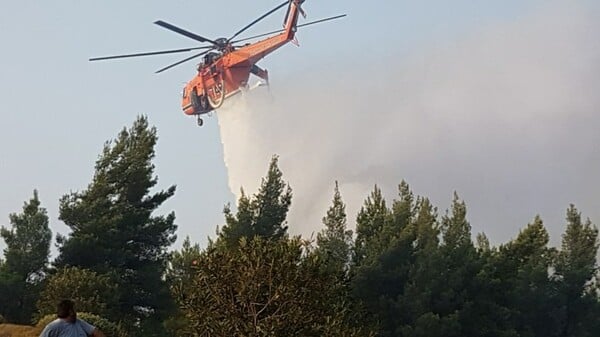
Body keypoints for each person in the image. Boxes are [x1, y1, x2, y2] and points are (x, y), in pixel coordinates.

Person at [39, 300, 106, 337]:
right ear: (70, 311)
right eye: (73, 309)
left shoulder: (79, 322)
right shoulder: (53, 326)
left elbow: (95, 331)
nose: (75, 312)